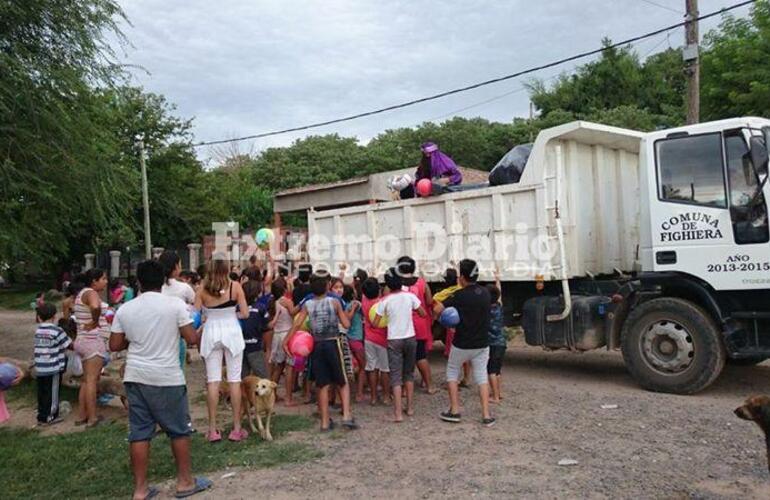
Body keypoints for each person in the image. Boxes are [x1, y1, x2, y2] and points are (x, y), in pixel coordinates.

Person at [109, 260, 212, 500]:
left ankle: (140, 489)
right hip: (167, 376)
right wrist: (201, 327)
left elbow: (114, 345)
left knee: (140, 433)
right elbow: (191, 339)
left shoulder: (126, 309)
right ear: (164, 280)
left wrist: (134, 339)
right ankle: (185, 482)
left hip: (136, 376)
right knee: (178, 430)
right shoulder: (175, 306)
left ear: (138, 282)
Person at [284, 273, 358, 432]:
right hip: (334, 342)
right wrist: (349, 314)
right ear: (327, 286)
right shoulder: (335, 302)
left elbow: (297, 324)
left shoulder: (308, 304)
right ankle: (346, 416)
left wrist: (286, 341)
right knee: (342, 380)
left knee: (322, 383)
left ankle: (325, 422)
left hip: (317, 345)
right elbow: (345, 324)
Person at [434, 259, 495, 427]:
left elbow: (438, 308)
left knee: (452, 372)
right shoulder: (485, 293)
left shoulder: (458, 296)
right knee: (482, 376)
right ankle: (486, 415)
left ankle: (454, 411)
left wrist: (444, 318)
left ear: (461, 277)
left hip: (461, 343)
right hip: (482, 343)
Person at [195, 257, 250, 443]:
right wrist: (229, 313)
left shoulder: (202, 289)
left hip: (211, 332)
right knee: (235, 380)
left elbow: (195, 315)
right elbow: (245, 313)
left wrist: (210, 316)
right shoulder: (235, 286)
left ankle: (212, 429)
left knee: (213, 381)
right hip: (232, 331)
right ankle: (236, 428)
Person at [373, 268, 426, 422]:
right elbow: (422, 313)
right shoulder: (410, 297)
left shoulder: (385, 301)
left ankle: (398, 413)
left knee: (395, 377)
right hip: (410, 337)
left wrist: (388, 320)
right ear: (401, 281)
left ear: (387, 285)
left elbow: (376, 323)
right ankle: (409, 408)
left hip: (393, 339)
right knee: (408, 373)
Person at [73, 268, 110, 427]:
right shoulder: (91, 293)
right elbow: (95, 307)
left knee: (86, 381)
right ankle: (92, 418)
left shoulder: (81, 294)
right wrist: (95, 322)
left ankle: (82, 415)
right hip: (92, 342)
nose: (106, 281)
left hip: (82, 340)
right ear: (94, 281)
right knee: (92, 381)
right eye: (103, 278)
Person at [397, 256, 436, 394]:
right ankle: (429, 385)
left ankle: (403, 389)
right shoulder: (422, 283)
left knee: (402, 358)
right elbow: (430, 301)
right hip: (419, 324)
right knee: (420, 356)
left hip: (402, 325)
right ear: (413, 268)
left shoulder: (396, 284)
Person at [34, 303, 72, 425]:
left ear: (39, 317)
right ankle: (51, 416)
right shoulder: (57, 330)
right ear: (55, 316)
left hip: (40, 367)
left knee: (42, 392)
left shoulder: (38, 330)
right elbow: (68, 345)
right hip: (53, 367)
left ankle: (42, 415)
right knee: (53, 392)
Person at [159, 251, 196, 368]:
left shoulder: (156, 286)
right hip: (177, 335)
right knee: (178, 370)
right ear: (175, 267)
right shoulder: (184, 288)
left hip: (158, 336)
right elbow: (195, 305)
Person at [361, 278, 390, 406]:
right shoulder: (382, 303)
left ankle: (373, 397)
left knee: (372, 367)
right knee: (384, 369)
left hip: (368, 338)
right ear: (379, 290)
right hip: (382, 339)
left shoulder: (364, 300)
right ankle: (385, 396)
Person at [241, 280, 269, 379]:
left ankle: (243, 394)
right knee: (262, 376)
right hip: (255, 346)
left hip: (240, 346)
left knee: (243, 377)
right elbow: (266, 327)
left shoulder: (238, 308)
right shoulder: (261, 308)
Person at [268, 280, 294, 392]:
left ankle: (271, 392)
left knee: (279, 366)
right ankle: (287, 395)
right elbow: (293, 313)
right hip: (287, 334)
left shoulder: (273, 302)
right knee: (288, 366)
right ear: (284, 289)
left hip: (277, 335)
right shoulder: (287, 301)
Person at [342, 285, 366, 402]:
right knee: (362, 366)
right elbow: (349, 318)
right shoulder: (355, 304)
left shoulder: (341, 305)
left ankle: (349, 391)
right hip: (356, 339)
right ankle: (359, 393)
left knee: (347, 366)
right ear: (352, 294)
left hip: (347, 338)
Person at [487, 270, 506, 403]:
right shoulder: (499, 307)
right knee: (497, 370)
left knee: (491, 371)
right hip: (502, 343)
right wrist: (497, 279)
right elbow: (499, 295)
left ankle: (495, 396)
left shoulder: (485, 310)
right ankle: (499, 392)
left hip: (491, 344)